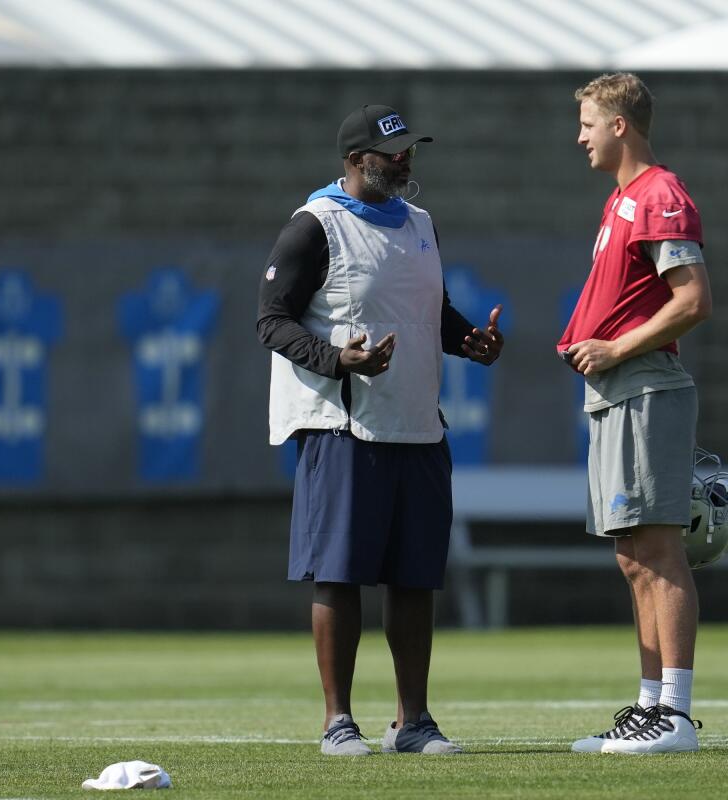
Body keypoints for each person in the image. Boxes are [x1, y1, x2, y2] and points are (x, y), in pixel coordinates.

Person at [256, 104, 503, 756]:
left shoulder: (421, 223)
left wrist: (469, 340)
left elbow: (432, 311)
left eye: (410, 149)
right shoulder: (315, 225)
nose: (405, 160)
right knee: (340, 574)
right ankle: (338, 721)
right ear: (356, 157)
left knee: (414, 576)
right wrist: (339, 360)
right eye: (393, 151)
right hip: (344, 424)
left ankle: (413, 722)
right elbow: (271, 320)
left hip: (417, 421)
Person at [558, 73, 712, 754]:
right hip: (619, 390)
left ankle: (675, 715)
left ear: (621, 125)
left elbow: (693, 300)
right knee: (632, 555)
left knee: (657, 549)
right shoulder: (620, 199)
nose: (580, 135)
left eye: (589, 123)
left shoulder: (659, 195)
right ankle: (650, 706)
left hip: (646, 385)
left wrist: (616, 346)